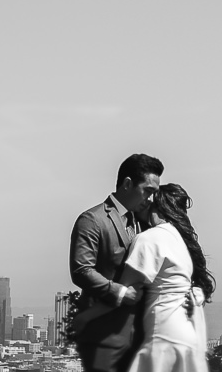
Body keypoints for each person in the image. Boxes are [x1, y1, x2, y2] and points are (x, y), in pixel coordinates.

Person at [71, 153, 165, 372]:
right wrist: (121, 293)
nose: (151, 199)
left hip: (138, 334)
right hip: (104, 333)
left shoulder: (141, 223)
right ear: (128, 184)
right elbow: (81, 269)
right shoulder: (93, 220)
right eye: (148, 191)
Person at [116, 183, 216, 372]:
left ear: (156, 205)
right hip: (186, 334)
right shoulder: (179, 240)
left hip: (163, 333)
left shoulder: (150, 239)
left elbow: (124, 288)